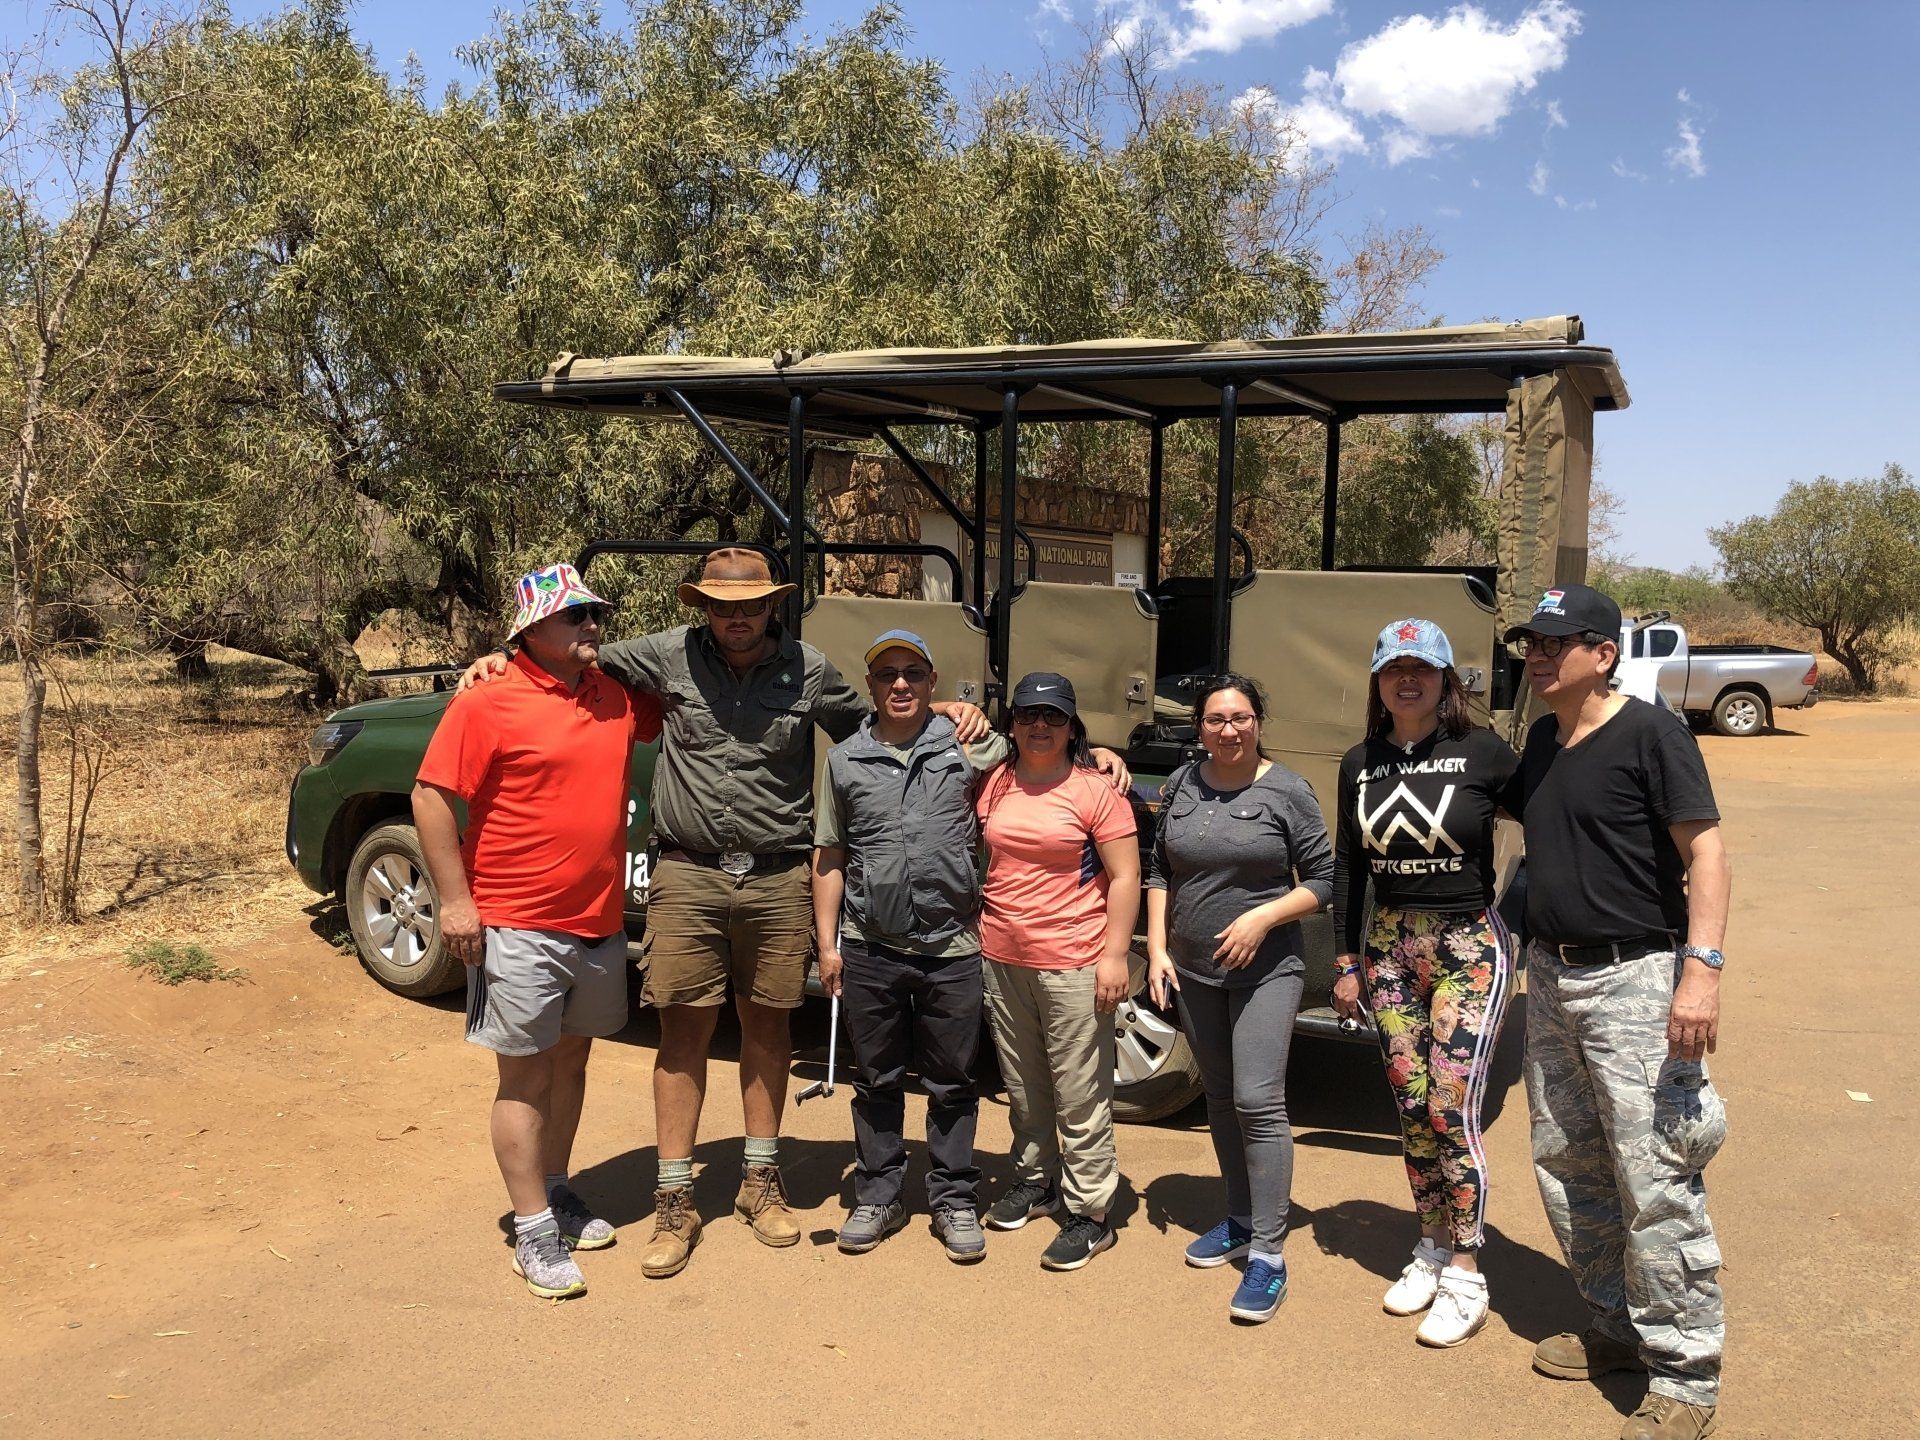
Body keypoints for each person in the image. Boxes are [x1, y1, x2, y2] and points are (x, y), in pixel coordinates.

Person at [460, 548, 988, 1279]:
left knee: (769, 1026)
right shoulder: (666, 654)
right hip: (688, 873)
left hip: (777, 878)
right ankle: (675, 1197)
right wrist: (497, 656)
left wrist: (949, 710)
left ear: (773, 605)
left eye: (750, 604)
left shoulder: (807, 669)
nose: (736, 618)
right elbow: (568, 655)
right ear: (701, 608)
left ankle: (759, 1181)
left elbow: (879, 722)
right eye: (720, 605)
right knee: (682, 1031)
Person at [814, 632, 1135, 1263]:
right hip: (901, 945)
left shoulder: (974, 751)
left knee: (960, 1081)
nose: (900, 684)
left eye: (914, 674)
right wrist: (826, 945)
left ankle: (962, 1197)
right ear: (871, 685)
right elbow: (828, 852)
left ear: (934, 680)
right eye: (887, 676)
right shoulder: (851, 760)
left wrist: (1100, 752)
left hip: (966, 948)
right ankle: (883, 1194)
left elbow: (1115, 857)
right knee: (901, 1079)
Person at [1500, 584, 1731, 1440]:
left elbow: (1705, 852)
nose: (1538, 657)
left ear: (1603, 654)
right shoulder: (1543, 742)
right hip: (1551, 980)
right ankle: (1618, 1325)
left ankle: (1686, 1376)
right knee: (1568, 1162)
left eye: (1556, 644)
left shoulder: (1652, 734)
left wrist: (1700, 973)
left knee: (1657, 1176)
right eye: (1531, 644)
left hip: (1637, 979)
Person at [413, 563, 663, 1300]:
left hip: (597, 920)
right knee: (523, 1074)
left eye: (594, 614)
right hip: (515, 920)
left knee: (573, 1061)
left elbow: (690, 702)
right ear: (530, 631)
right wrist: (455, 903)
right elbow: (431, 799)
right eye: (573, 617)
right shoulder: (488, 701)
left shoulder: (613, 696)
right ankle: (531, 1232)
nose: (591, 626)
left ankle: (556, 1189)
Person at [1328, 620, 1521, 1346]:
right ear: (1378, 682)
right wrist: (1346, 960)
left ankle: (1468, 1269)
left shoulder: (1484, 753)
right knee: (1410, 1108)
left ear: (1447, 681)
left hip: (1467, 944)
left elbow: (1553, 823)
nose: (1408, 679)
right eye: (1393, 668)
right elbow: (1351, 865)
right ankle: (1432, 1246)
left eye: (1423, 668)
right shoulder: (1361, 763)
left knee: (1450, 1107)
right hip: (1387, 947)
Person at [1145, 674, 1334, 1324]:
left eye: (1241, 717)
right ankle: (1238, 1217)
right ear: (1200, 727)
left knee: (1258, 1100)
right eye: (1216, 719)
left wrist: (1262, 919)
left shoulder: (1287, 790)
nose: (1229, 729)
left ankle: (1269, 1256)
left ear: (1258, 721)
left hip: (1267, 971)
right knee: (1220, 1100)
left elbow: (1325, 880)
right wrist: (1159, 947)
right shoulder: (1181, 785)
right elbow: (1158, 868)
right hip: (1194, 970)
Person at [976, 672, 1140, 1272]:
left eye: (1052, 717)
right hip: (1002, 954)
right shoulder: (994, 780)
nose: (1038, 727)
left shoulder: (1096, 790)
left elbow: (1125, 876)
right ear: (1011, 723)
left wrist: (1115, 954)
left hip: (1074, 958)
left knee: (1080, 1092)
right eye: (1026, 716)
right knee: (1023, 1087)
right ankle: (1037, 1179)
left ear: (1072, 726)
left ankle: (1092, 1211)